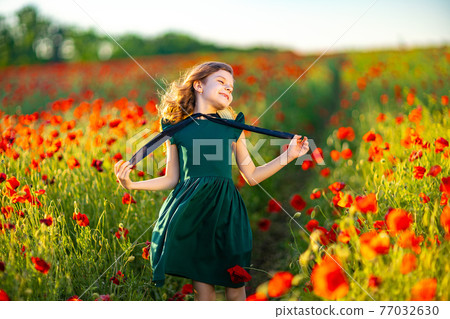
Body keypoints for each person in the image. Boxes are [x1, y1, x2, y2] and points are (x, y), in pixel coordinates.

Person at [114, 61, 309, 301]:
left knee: (236, 288)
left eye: (231, 86)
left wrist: (288, 156)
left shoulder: (232, 128)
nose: (229, 88)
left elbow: (251, 175)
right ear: (198, 85)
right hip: (194, 213)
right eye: (221, 82)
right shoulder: (176, 129)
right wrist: (131, 185)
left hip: (228, 213)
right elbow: (172, 178)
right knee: (204, 292)